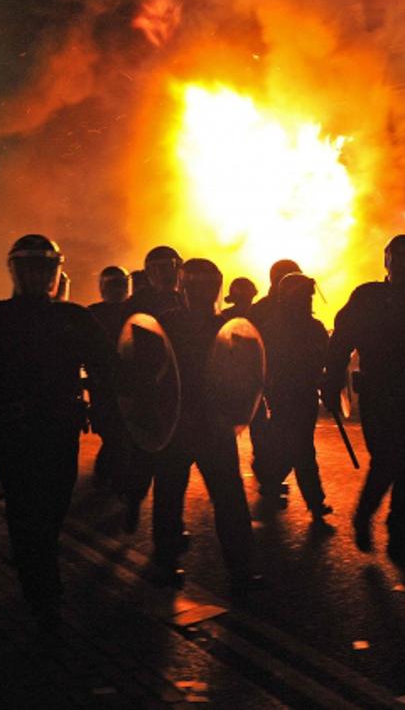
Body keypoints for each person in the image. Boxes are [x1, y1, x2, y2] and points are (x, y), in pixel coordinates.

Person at [0, 235, 118, 630]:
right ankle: (43, 593)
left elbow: (108, 368)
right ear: (15, 271)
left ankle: (40, 584)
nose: (37, 276)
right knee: (25, 512)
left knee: (50, 513)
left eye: (44, 268)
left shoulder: (75, 318)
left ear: (54, 272)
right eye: (28, 268)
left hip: (58, 432)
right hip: (13, 433)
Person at [323, 235, 405, 566]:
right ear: (387, 260)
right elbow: (342, 340)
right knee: (388, 460)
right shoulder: (368, 297)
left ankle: (399, 539)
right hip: (378, 390)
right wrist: (332, 381)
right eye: (400, 256)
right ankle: (365, 516)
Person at [152, 258, 262, 593]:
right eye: (195, 286)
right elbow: (150, 373)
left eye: (207, 286)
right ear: (184, 288)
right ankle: (169, 562)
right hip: (180, 423)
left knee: (225, 497)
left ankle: (240, 568)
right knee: (175, 495)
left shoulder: (227, 325)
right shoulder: (167, 324)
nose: (201, 294)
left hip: (210, 424)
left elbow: (244, 373)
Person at [118, 245, 184, 532]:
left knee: (172, 467)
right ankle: (133, 500)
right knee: (143, 455)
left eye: (168, 266)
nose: (164, 273)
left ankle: (170, 528)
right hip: (148, 390)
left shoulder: (184, 300)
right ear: (149, 272)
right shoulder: (137, 304)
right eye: (157, 268)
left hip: (176, 389)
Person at [257, 272, 332, 523]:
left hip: (305, 394)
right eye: (303, 296)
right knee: (301, 448)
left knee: (293, 447)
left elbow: (325, 358)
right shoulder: (275, 329)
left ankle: (270, 480)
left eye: (309, 296)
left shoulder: (313, 327)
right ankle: (315, 502)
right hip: (285, 395)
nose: (308, 300)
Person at [245, 258, 301, 494]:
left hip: (283, 380)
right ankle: (269, 474)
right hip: (267, 378)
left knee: (277, 431)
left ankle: (270, 473)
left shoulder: (263, 308)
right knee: (272, 431)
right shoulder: (262, 310)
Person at [87, 265, 132, 492]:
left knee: (123, 432)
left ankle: (110, 475)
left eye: (121, 284)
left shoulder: (135, 312)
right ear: (103, 288)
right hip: (103, 384)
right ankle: (107, 474)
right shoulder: (92, 314)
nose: (118, 289)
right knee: (113, 433)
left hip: (129, 383)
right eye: (113, 285)